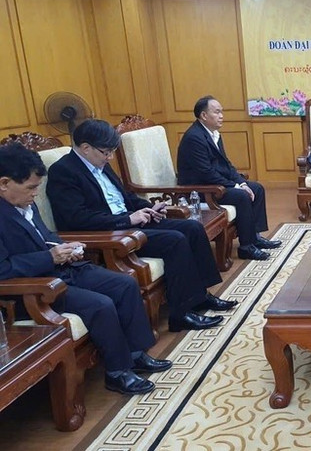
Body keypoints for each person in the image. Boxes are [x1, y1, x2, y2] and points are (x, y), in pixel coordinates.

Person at [0, 143, 172, 395]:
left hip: (61, 269)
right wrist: (50, 257)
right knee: (100, 304)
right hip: (34, 289)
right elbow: (3, 269)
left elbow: (45, 235)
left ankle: (135, 354)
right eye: (31, 188)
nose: (35, 193)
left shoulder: (23, 200)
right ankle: (117, 372)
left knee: (124, 284)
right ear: (4, 183)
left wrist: (66, 247)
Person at [46, 119, 234, 333]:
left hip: (128, 222)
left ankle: (200, 297)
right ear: (86, 148)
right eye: (106, 152)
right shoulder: (63, 172)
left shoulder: (101, 164)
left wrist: (149, 208)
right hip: (111, 233)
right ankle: (180, 315)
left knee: (192, 228)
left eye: (112, 152)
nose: (109, 158)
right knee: (175, 240)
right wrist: (128, 220)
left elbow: (125, 196)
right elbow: (77, 219)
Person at [177, 95, 281, 261]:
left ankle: (255, 237)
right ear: (204, 116)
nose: (221, 116)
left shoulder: (214, 133)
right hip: (200, 189)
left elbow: (225, 165)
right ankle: (246, 247)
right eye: (217, 112)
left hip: (214, 183)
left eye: (221, 112)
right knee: (241, 195)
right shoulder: (194, 138)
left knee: (256, 188)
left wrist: (240, 181)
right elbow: (206, 173)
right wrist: (237, 187)